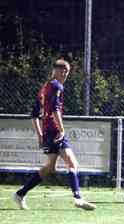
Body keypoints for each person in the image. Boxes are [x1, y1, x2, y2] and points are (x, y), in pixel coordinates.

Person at [12, 59, 96, 210]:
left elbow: (34, 115)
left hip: (48, 132)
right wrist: (62, 130)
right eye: (64, 71)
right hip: (55, 131)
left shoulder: (44, 87)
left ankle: (20, 194)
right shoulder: (57, 86)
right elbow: (55, 109)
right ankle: (77, 198)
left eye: (67, 72)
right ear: (57, 70)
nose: (66, 74)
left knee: (49, 167)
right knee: (72, 163)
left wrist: (40, 135)